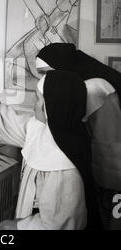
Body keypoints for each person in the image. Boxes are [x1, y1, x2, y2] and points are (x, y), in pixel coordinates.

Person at [0, 70, 102, 230]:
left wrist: (19, 226)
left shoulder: (65, 167)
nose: (34, 104)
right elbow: (4, 119)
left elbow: (59, 225)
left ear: (52, 106)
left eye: (39, 98)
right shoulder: (42, 129)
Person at [36, 43, 121, 229]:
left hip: (110, 171)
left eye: (46, 73)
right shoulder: (85, 84)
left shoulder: (94, 87)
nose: (44, 80)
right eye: (40, 74)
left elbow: (109, 144)